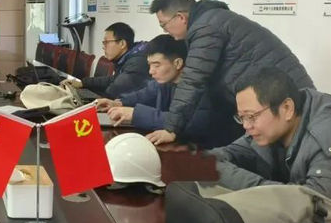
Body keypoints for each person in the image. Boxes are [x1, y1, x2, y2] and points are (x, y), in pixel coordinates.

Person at [146, 0, 314, 146]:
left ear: (181, 17)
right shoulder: (212, 20)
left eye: (164, 25)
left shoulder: (206, 28)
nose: (165, 31)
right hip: (276, 99)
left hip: (285, 100)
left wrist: (171, 129)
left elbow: (193, 80)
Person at [208, 68, 331, 209]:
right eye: (242, 117)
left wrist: (257, 187)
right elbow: (210, 159)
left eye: (251, 116)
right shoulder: (270, 130)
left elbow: (311, 206)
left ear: (287, 108)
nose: (246, 126)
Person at [100, 34, 241, 148]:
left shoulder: (201, 86)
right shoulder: (165, 81)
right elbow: (144, 94)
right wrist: (118, 103)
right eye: (149, 65)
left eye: (157, 65)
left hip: (208, 153)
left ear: (178, 63)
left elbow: (191, 122)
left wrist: (136, 114)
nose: (151, 71)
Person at [63, 22, 148, 99]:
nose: (103, 47)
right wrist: (83, 83)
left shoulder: (136, 63)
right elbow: (114, 79)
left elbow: (112, 93)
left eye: (106, 42)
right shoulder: (127, 57)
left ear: (122, 44)